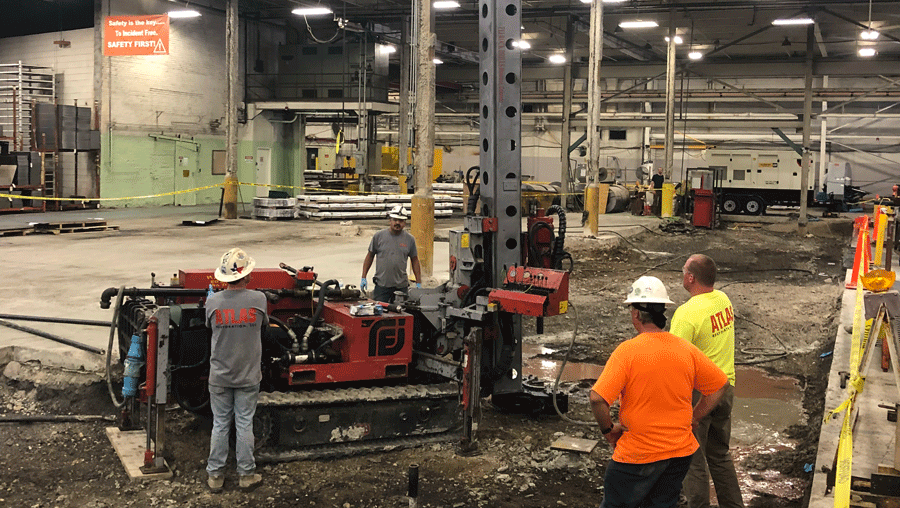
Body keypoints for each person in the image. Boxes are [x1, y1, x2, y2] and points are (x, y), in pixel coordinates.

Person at [591, 276, 728, 508]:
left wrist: (609, 430)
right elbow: (718, 386)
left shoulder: (628, 352)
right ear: (663, 311)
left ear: (636, 313)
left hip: (636, 455)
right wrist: (693, 418)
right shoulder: (685, 349)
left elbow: (597, 398)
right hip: (678, 454)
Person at [671, 254, 744, 508]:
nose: (682, 275)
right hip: (726, 388)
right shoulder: (723, 300)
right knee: (720, 455)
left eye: (683, 271)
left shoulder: (686, 314)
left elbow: (674, 363)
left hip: (700, 395)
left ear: (690, 278)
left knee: (693, 460)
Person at [205, 247, 268, 492]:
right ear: (246, 275)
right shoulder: (259, 299)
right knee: (244, 423)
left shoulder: (212, 302)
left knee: (220, 423)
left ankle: (215, 476)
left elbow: (209, 329)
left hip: (220, 376)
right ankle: (246, 475)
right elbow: (263, 327)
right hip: (248, 375)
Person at [361, 205, 422, 303]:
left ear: (405, 223)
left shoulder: (410, 240)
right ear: (390, 220)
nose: (397, 223)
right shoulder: (379, 236)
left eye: (401, 220)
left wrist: (419, 282)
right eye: (395, 220)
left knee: (401, 313)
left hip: (401, 287)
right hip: (382, 286)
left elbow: (414, 260)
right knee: (380, 313)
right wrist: (363, 277)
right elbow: (370, 256)